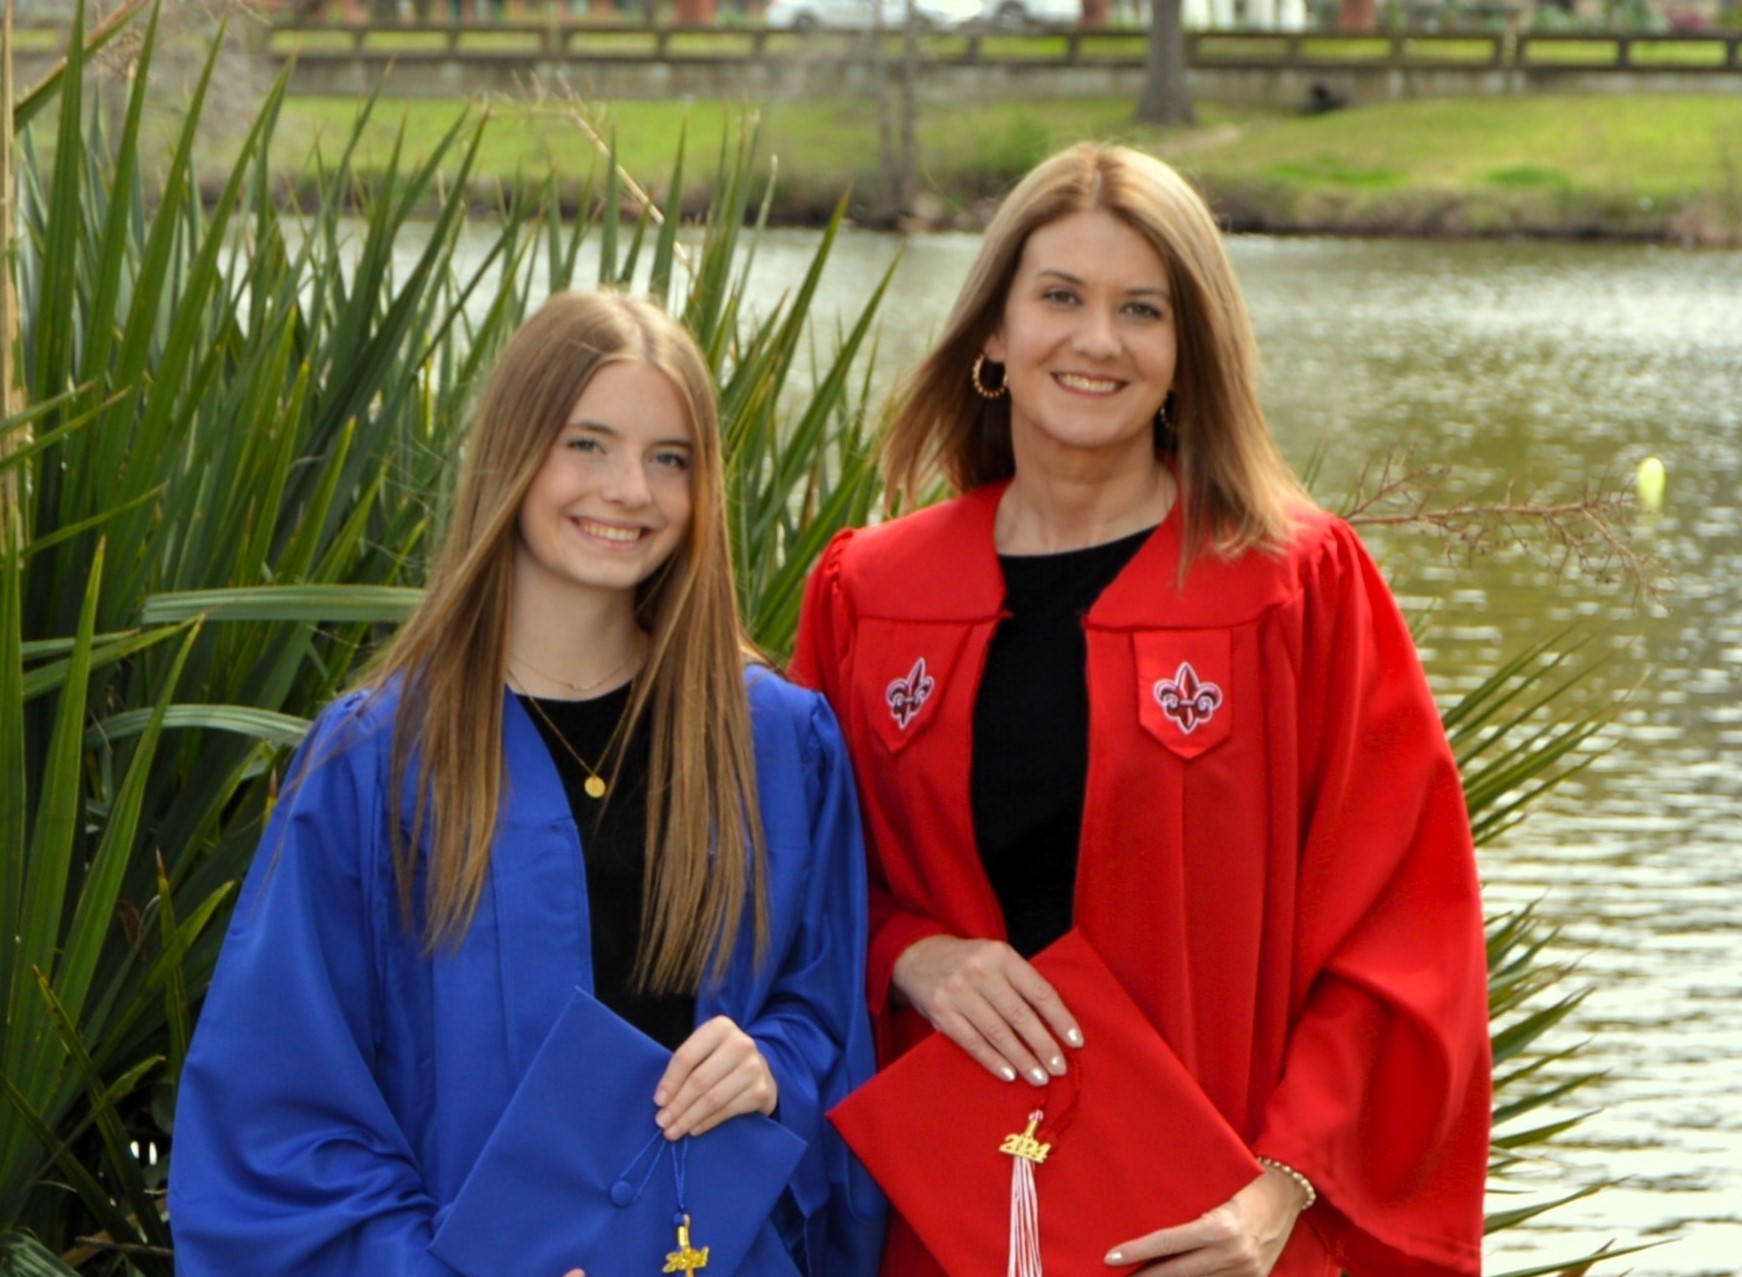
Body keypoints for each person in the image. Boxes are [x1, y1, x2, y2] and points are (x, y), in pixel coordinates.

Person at [790, 143, 1489, 1277]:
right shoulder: (872, 595)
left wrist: (1276, 1191)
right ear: (992, 335)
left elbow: (1401, 928)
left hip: (1212, 1228)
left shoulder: (1288, 588)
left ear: (1186, 352)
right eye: (1058, 296)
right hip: (944, 1215)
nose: (1096, 340)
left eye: (1141, 309)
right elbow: (789, 884)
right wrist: (908, 952)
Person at [170, 291, 883, 1277]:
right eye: (586, 444)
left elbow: (830, 1014)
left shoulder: (773, 740)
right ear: (514, 450)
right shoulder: (376, 762)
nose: (628, 489)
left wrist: (774, 1064)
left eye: (668, 457)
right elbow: (286, 1100)